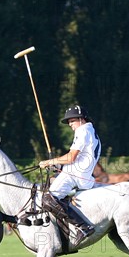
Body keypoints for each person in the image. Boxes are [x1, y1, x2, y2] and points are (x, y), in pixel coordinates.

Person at [39, 105, 101, 247]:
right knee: (48, 185)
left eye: (72, 121)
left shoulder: (83, 131)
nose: (70, 125)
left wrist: (49, 161)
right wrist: (58, 166)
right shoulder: (90, 130)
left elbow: (71, 157)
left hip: (75, 175)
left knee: (49, 198)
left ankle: (83, 227)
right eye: (68, 122)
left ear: (81, 119)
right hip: (80, 173)